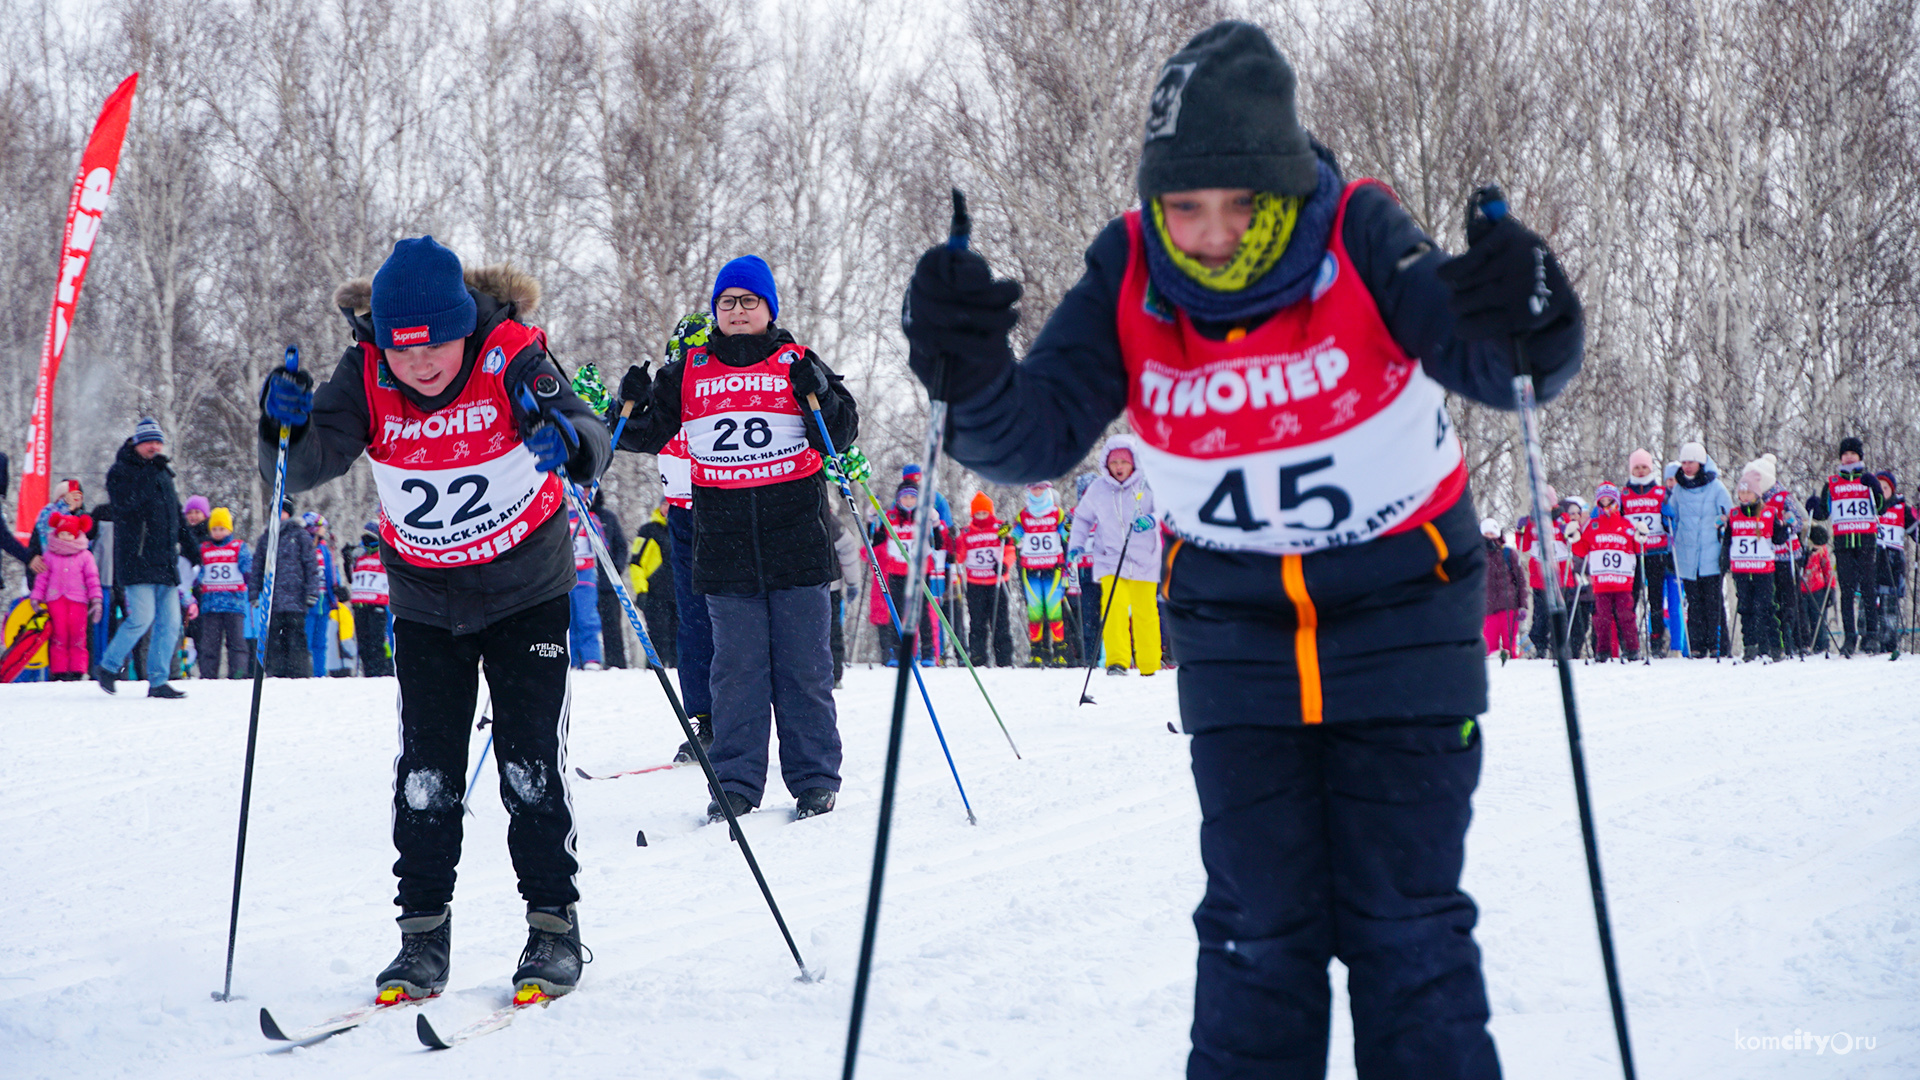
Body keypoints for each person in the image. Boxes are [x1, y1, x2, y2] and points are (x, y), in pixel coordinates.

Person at [901, 21, 1581, 1077]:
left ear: (1286, 186)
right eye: (1185, 207)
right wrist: (970, 373)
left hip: (1405, 614)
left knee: (1408, 928)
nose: (1211, 233)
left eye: (1239, 205)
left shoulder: (1359, 233)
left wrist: (1532, 313)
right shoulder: (1130, 270)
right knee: (1256, 936)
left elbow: (1496, 363)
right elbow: (1033, 435)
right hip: (1239, 639)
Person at [260, 237, 609, 1001]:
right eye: (401, 349)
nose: (418, 366)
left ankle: (553, 929)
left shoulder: (508, 354)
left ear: (463, 327)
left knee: (528, 766)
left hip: (526, 588)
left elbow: (592, 431)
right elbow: (308, 461)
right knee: (426, 775)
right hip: (426, 597)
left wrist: (568, 442)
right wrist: (280, 431)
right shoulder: (366, 373)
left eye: (435, 347)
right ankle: (421, 938)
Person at [614, 255, 857, 823]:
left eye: (749, 301)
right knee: (735, 671)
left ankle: (815, 780)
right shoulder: (691, 369)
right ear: (715, 312)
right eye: (727, 302)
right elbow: (643, 435)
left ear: (768, 308)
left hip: (795, 538)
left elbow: (840, 434)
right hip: (723, 543)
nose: (738, 311)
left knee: (804, 667)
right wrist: (627, 402)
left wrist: (819, 389)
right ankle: (735, 784)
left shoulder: (795, 360)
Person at [93, 418, 198, 698]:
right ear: (137, 444)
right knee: (141, 618)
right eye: (148, 442)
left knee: (171, 623)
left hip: (165, 561)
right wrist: (150, 473)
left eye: (158, 442)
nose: (154, 447)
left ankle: (158, 680)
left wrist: (190, 545)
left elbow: (176, 514)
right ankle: (108, 666)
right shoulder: (121, 471)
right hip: (136, 559)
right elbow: (125, 504)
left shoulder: (163, 474)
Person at [1070, 435, 1163, 676]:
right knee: (1114, 606)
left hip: (1145, 557)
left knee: (1146, 612)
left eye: (1124, 462)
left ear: (1133, 463)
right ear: (1106, 465)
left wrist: (1152, 519)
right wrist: (1076, 545)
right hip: (1110, 557)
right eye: (1114, 463)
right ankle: (1117, 661)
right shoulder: (1098, 489)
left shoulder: (1147, 484)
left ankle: (1149, 663)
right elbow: (1082, 518)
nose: (1119, 467)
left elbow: (1168, 510)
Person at [1805, 436, 1882, 656]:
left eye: (1852, 454)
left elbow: (1881, 507)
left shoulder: (1867, 479)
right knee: (1846, 590)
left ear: (1859, 456)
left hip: (1866, 539)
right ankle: (1850, 636)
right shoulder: (1832, 483)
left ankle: (1872, 635)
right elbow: (1824, 512)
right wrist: (1815, 507)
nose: (1848, 457)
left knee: (1868, 588)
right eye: (1845, 454)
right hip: (1843, 542)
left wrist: (1875, 487)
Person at [1667, 442, 1734, 658]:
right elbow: (1674, 518)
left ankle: (1718, 645)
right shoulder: (1678, 488)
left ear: (1701, 463)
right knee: (1694, 603)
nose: (1686, 466)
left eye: (1691, 462)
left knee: (1713, 601)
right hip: (1687, 554)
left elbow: (1729, 515)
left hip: (1711, 553)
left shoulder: (1716, 487)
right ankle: (1696, 645)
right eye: (1684, 462)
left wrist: (1723, 525)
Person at [1726, 456, 1788, 662]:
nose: (1744, 495)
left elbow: (1779, 540)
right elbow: (1728, 540)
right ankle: (1750, 646)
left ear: (1757, 494)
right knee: (1745, 608)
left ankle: (1775, 646)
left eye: (1748, 491)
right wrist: (1723, 559)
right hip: (1742, 569)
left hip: (1763, 569)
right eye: (1741, 491)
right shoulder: (1734, 514)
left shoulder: (1768, 513)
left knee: (1767, 607)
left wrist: (1784, 527)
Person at [872, 481, 941, 663]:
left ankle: (927, 652)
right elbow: (876, 541)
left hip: (919, 571)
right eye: (905, 497)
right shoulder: (891, 517)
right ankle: (898, 651)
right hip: (897, 570)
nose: (909, 501)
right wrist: (872, 519)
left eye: (912, 497)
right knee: (897, 610)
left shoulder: (924, 516)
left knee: (921, 611)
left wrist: (935, 524)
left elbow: (939, 543)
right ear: (898, 498)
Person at [250, 502, 320, 678]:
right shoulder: (265, 538)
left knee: (295, 638)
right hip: (272, 601)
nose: (279, 515)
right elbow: (257, 566)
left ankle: (298, 672)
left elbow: (310, 565)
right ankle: (276, 672)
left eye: (282, 511)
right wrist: (254, 593)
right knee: (274, 639)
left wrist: (312, 591)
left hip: (295, 599)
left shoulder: (300, 535)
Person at [29, 512, 101, 681]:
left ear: (75, 535)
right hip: (56, 600)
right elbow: (42, 579)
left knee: (78, 636)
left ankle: (78, 669)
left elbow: (92, 578)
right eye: (62, 534)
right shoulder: (49, 556)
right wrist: (36, 598)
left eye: (69, 534)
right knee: (58, 636)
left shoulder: (85, 556)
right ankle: (59, 670)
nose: (65, 538)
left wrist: (96, 599)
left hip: (78, 600)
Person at [1621, 449, 1676, 656]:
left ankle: (1656, 640)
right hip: (1632, 554)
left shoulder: (1660, 492)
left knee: (1655, 598)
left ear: (1650, 469)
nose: (1641, 471)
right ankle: (1630, 642)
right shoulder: (1624, 494)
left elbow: (1672, 523)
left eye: (1644, 467)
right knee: (1631, 598)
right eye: (1637, 467)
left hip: (1656, 551)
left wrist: (1668, 519)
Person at [1576, 484, 1639, 661]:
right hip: (1601, 581)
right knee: (1601, 618)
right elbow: (1582, 549)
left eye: (1609, 501)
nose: (1606, 505)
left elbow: (1637, 548)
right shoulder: (1593, 525)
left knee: (1626, 615)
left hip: (1622, 581)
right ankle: (1602, 651)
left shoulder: (1626, 524)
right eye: (1602, 501)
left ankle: (1632, 648)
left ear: (1615, 501)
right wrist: (1574, 538)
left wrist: (1641, 537)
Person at [1013, 481, 1070, 666]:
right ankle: (1036, 652)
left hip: (1052, 567)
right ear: (1028, 490)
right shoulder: (1024, 514)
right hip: (1031, 568)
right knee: (1035, 611)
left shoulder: (1056, 512)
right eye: (1033, 488)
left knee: (1054, 610)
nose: (1037, 491)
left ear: (1047, 490)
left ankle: (1059, 652)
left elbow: (1064, 533)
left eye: (1041, 488)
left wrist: (1068, 531)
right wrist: (1007, 534)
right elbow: (1016, 535)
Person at [195, 508, 253, 679]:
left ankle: (238, 674)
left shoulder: (238, 547)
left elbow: (248, 569)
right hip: (211, 605)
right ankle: (208, 675)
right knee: (209, 645)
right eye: (214, 529)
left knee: (237, 643)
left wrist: (252, 580)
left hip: (234, 604)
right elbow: (198, 572)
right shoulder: (204, 548)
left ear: (229, 529)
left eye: (222, 529)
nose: (218, 533)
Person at [962, 492, 1016, 667]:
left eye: (984, 513)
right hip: (975, 583)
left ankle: (1004, 658)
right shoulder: (967, 532)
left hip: (997, 583)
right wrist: (954, 548)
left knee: (1001, 622)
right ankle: (978, 657)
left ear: (990, 513)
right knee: (977, 622)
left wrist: (1004, 564)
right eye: (978, 514)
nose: (981, 517)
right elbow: (961, 554)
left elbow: (1010, 550)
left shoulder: (1000, 529)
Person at [1870, 471, 1913, 655]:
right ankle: (1869, 639)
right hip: (1871, 561)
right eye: (1878, 487)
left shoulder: (1901, 508)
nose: (1881, 491)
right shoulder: (1869, 506)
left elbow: (1915, 533)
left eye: (1885, 488)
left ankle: (1889, 642)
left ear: (1892, 490)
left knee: (1889, 607)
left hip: (1893, 564)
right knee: (1869, 603)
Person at [1763, 470, 1804, 657]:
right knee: (1774, 598)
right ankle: (1775, 640)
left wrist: (1788, 523)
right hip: (1768, 556)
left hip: (1787, 554)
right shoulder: (1756, 500)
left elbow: (1798, 523)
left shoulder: (1783, 496)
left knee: (1790, 597)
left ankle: (1794, 637)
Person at [629, 505, 676, 667]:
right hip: (656, 595)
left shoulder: (685, 528)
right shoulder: (648, 531)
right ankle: (654, 673)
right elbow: (636, 564)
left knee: (681, 640)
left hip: (681, 595)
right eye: (665, 504)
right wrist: (641, 591)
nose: (668, 508)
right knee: (659, 637)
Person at [590, 488, 629, 669]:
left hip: (607, 584)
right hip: (581, 583)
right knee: (583, 625)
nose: (586, 494)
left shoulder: (608, 517)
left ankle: (617, 664)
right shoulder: (569, 516)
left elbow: (621, 546)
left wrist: (616, 569)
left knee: (612, 626)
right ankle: (586, 661)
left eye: (589, 490)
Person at [348, 522, 393, 677]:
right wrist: (348, 559)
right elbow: (351, 578)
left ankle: (382, 672)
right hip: (360, 604)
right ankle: (369, 672)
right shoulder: (359, 555)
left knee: (377, 641)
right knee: (364, 643)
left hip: (378, 603)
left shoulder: (383, 554)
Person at [565, 496, 604, 670]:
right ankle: (571, 659)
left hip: (584, 575)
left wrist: (591, 528)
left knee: (587, 617)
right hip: (564, 575)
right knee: (568, 619)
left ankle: (591, 658)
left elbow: (602, 545)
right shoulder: (556, 516)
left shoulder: (588, 517)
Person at [1480, 518, 1525, 660]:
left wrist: (1523, 605)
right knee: (1490, 650)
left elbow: (1521, 581)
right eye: (1486, 534)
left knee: (1510, 648)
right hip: (1487, 609)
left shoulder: (1508, 553)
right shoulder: (1477, 556)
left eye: (1492, 533)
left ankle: (1513, 674)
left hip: (1509, 607)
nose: (1489, 537)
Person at [1799, 524, 1835, 653]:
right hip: (1800, 588)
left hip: (1817, 588)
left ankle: (1822, 646)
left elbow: (1827, 566)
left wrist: (1831, 587)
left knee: (1819, 620)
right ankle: (1803, 644)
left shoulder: (1821, 547)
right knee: (1802, 621)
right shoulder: (1800, 544)